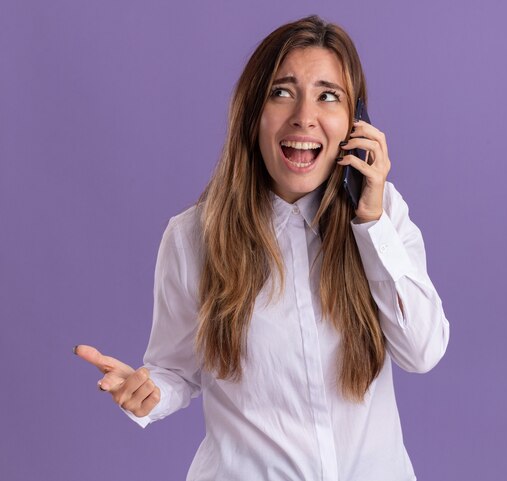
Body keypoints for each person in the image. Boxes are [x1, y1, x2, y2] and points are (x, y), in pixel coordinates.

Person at [75, 15, 450, 481]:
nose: (304, 117)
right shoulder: (195, 236)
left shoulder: (382, 216)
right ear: (253, 113)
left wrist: (371, 223)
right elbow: (175, 371)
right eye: (282, 91)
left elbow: (423, 350)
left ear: (356, 123)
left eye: (328, 96)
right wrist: (149, 393)